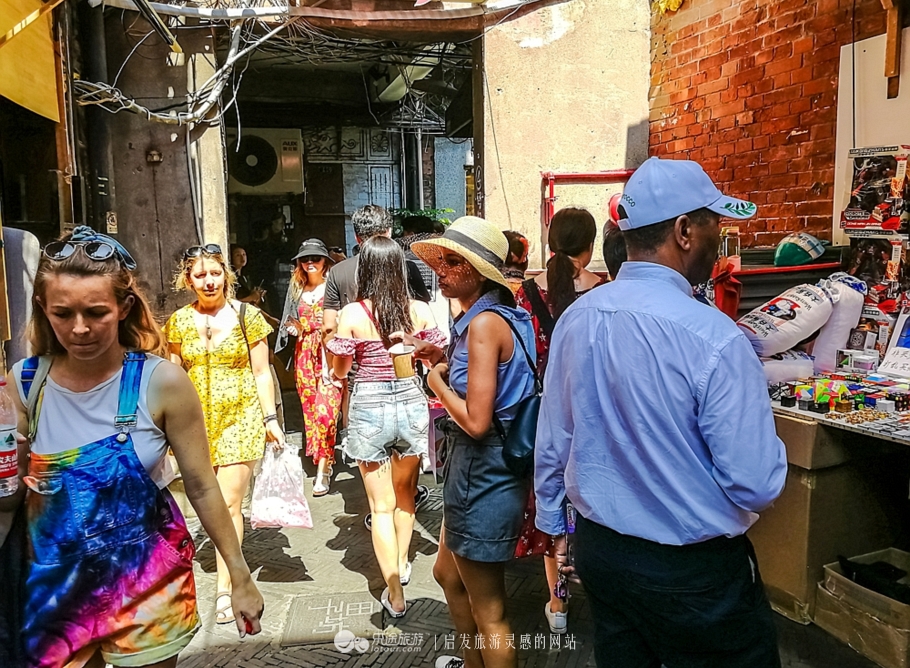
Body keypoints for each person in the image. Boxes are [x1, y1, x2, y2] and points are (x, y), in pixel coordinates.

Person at [535, 157, 788, 668]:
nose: (721, 239)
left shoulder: (578, 318)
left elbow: (553, 437)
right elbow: (755, 483)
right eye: (715, 224)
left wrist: (552, 523)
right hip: (693, 574)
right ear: (684, 230)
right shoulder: (714, 338)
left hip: (604, 553)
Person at [0, 227, 263, 667]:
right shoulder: (26, 383)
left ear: (123, 308)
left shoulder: (160, 382)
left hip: (146, 583)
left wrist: (239, 575)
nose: (79, 328)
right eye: (63, 314)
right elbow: (11, 502)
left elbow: (200, 485)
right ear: (44, 309)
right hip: (54, 587)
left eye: (96, 312)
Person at [407, 216, 537, 668]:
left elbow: (478, 421)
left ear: (478, 270)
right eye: (439, 260)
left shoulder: (483, 324)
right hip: (482, 469)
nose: (440, 269)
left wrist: (433, 378)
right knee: (447, 573)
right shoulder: (504, 317)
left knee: (492, 610)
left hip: (484, 470)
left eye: (451, 261)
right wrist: (444, 359)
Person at [326, 237, 446, 619]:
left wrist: (334, 373)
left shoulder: (352, 314)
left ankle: (394, 590)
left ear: (365, 269)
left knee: (380, 507)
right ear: (399, 267)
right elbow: (436, 357)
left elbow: (342, 368)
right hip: (411, 402)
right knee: (406, 496)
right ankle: (404, 561)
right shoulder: (421, 310)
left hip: (369, 407)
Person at [166, 243, 285, 626]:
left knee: (228, 502)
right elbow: (172, 374)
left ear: (226, 276)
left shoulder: (248, 316)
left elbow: (263, 372)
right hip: (195, 423)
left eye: (215, 273)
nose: (209, 280)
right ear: (188, 280)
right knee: (207, 500)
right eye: (200, 274)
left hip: (241, 416)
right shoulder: (179, 322)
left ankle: (228, 584)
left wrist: (270, 418)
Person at [513, 207, 602, 635]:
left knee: (551, 507)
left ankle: (558, 605)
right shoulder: (602, 293)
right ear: (589, 247)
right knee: (592, 505)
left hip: (545, 417)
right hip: (592, 416)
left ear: (550, 243)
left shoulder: (525, 294)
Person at [276, 239, 342, 497]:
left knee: (327, 412)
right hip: (304, 354)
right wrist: (292, 328)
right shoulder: (296, 289)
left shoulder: (333, 287)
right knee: (311, 413)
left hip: (329, 353)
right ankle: (320, 462)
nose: (310, 263)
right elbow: (288, 322)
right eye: (305, 259)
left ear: (325, 261)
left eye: (316, 258)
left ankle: (324, 467)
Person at [322, 204, 431, 342]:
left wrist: (333, 361)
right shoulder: (407, 267)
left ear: (356, 237)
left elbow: (329, 327)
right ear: (389, 232)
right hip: (405, 353)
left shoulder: (338, 271)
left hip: (355, 358)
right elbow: (424, 316)